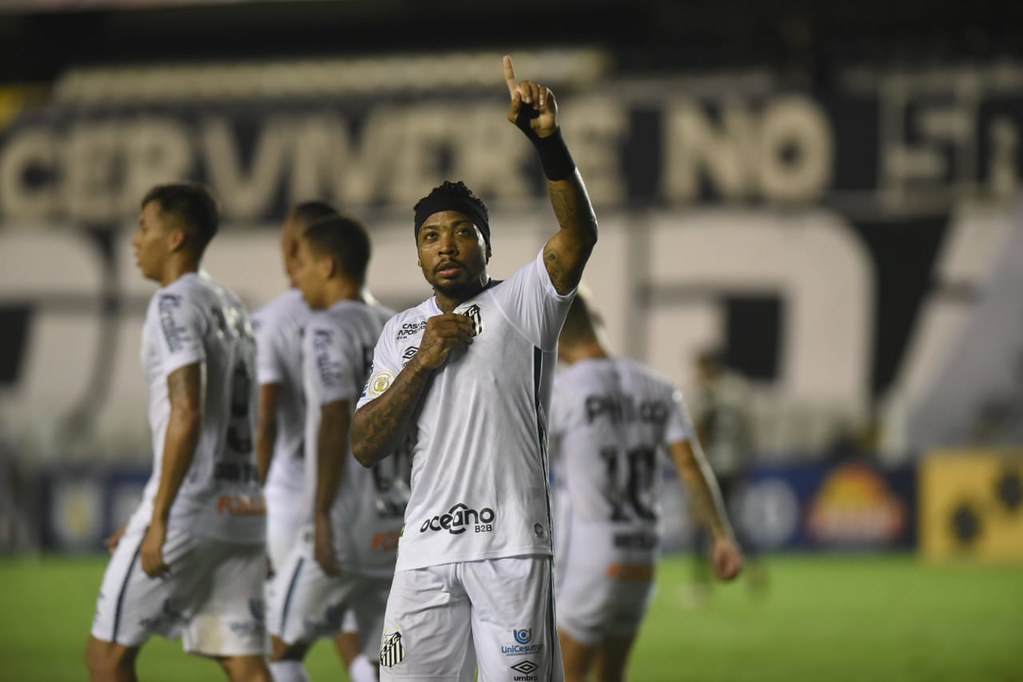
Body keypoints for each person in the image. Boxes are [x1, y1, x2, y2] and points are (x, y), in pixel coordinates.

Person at [351, 55, 598, 681]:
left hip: (511, 551)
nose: (447, 245)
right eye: (431, 236)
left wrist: (549, 143)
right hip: (424, 555)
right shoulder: (400, 333)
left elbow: (578, 235)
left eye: (463, 232)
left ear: (487, 244)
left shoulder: (522, 302)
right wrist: (425, 361)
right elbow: (364, 443)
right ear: (417, 254)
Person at [85, 182, 271, 681]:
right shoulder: (232, 307)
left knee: (106, 657)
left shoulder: (171, 304)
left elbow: (187, 410)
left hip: (189, 510)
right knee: (245, 665)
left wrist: (159, 515)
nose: (134, 240)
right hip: (244, 512)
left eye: (144, 227)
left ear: (174, 238)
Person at [548, 293, 743, 682]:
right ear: (599, 321)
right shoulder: (657, 386)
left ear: (555, 338)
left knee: (568, 674)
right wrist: (721, 535)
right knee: (613, 674)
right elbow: (690, 464)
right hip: (643, 552)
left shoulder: (561, 391)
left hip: (589, 552)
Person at [266, 214, 407, 682]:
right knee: (379, 657)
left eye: (302, 263)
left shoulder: (328, 329)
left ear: (327, 266)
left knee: (273, 650)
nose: (295, 276)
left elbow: (333, 418)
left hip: (343, 524)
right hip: (395, 525)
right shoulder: (400, 327)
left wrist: (321, 515)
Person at [689, 348, 765, 602]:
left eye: (700, 368)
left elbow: (702, 430)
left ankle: (702, 588)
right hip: (737, 465)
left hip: (712, 466)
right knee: (732, 522)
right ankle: (755, 573)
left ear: (709, 367)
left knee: (703, 525)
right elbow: (750, 430)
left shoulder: (709, 393)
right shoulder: (738, 389)